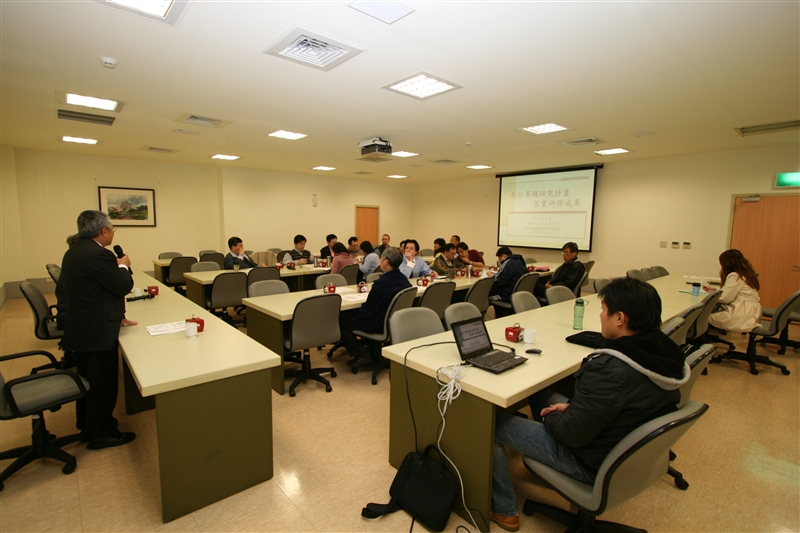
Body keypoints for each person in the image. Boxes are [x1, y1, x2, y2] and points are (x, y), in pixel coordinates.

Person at [490, 277, 689, 531]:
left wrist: (553, 417)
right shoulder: (665, 353)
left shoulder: (610, 369)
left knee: (490, 423)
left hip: (591, 460)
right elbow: (615, 402)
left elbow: (570, 433)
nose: (601, 316)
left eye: (604, 310)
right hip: (623, 445)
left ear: (620, 318)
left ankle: (505, 509)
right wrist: (574, 407)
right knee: (541, 395)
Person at [60, 210, 137, 450]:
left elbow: (93, 288)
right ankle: (102, 433)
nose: (113, 233)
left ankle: (87, 425)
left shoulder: (74, 251)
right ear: (104, 231)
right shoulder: (99, 255)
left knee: (89, 380)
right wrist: (123, 266)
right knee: (102, 384)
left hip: (82, 326)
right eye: (113, 229)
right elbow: (122, 286)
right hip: (96, 330)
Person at [341, 247, 411, 367]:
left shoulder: (381, 283)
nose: (380, 259)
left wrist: (357, 313)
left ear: (386, 262)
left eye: (381, 257)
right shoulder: (404, 279)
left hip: (378, 324)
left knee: (342, 321)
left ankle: (364, 354)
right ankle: (373, 350)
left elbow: (368, 311)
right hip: (394, 322)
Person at [704, 249, 762, 332]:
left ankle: (702, 339)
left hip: (741, 314)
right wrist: (714, 290)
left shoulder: (735, 275)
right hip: (751, 312)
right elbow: (735, 291)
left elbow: (725, 299)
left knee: (701, 317)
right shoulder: (746, 274)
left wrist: (709, 295)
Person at [487, 246, 527, 316]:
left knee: (485, 295)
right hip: (518, 293)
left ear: (504, 256)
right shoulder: (520, 260)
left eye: (499, 258)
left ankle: (499, 316)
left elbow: (499, 281)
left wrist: (491, 276)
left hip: (507, 295)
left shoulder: (508, 262)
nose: (499, 261)